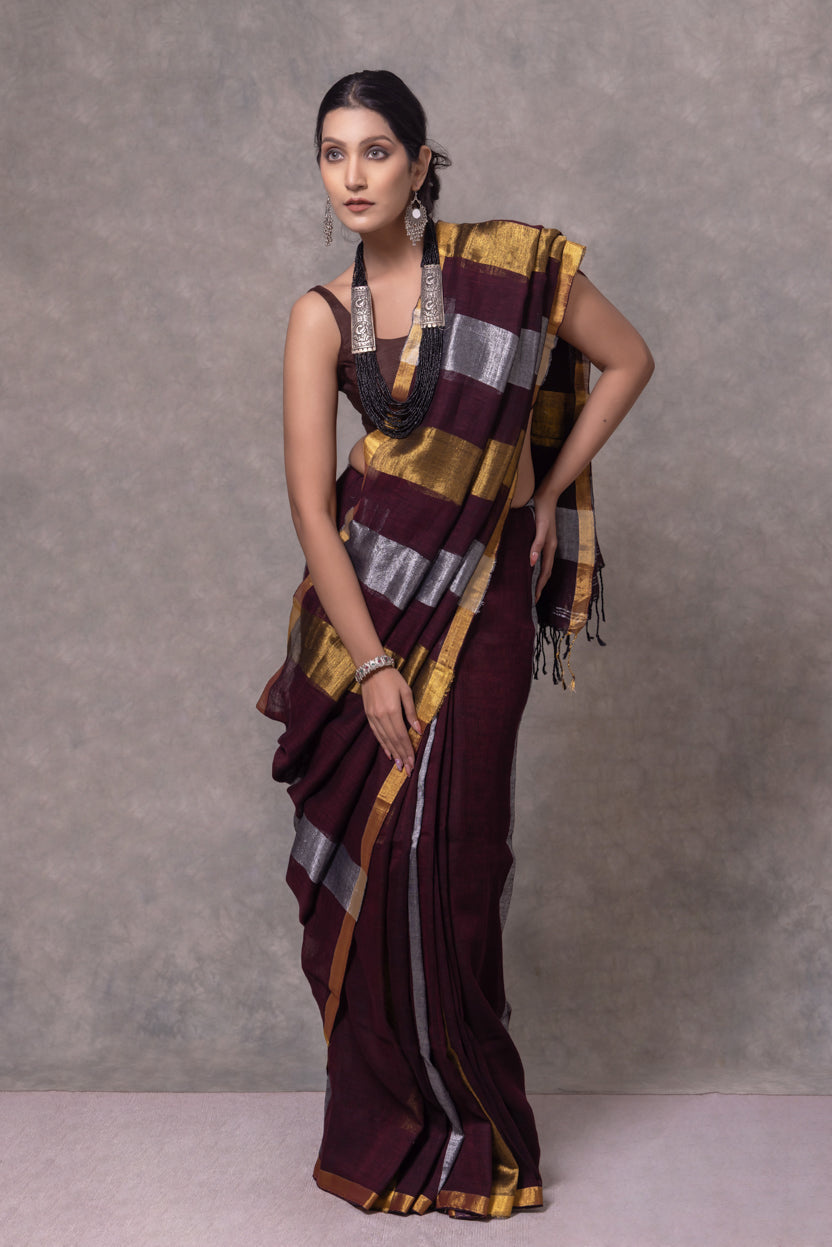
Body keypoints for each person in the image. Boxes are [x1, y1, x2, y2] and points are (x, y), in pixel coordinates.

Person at [258, 69, 654, 1219]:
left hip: (480, 604)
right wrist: (373, 662)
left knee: (460, 861)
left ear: (423, 164)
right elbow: (307, 508)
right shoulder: (318, 316)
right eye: (333, 154)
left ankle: (478, 1131)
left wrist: (542, 493)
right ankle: (381, 1128)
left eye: (376, 152)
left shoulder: (508, 273)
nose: (352, 176)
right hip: (360, 625)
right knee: (373, 873)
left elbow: (627, 358)